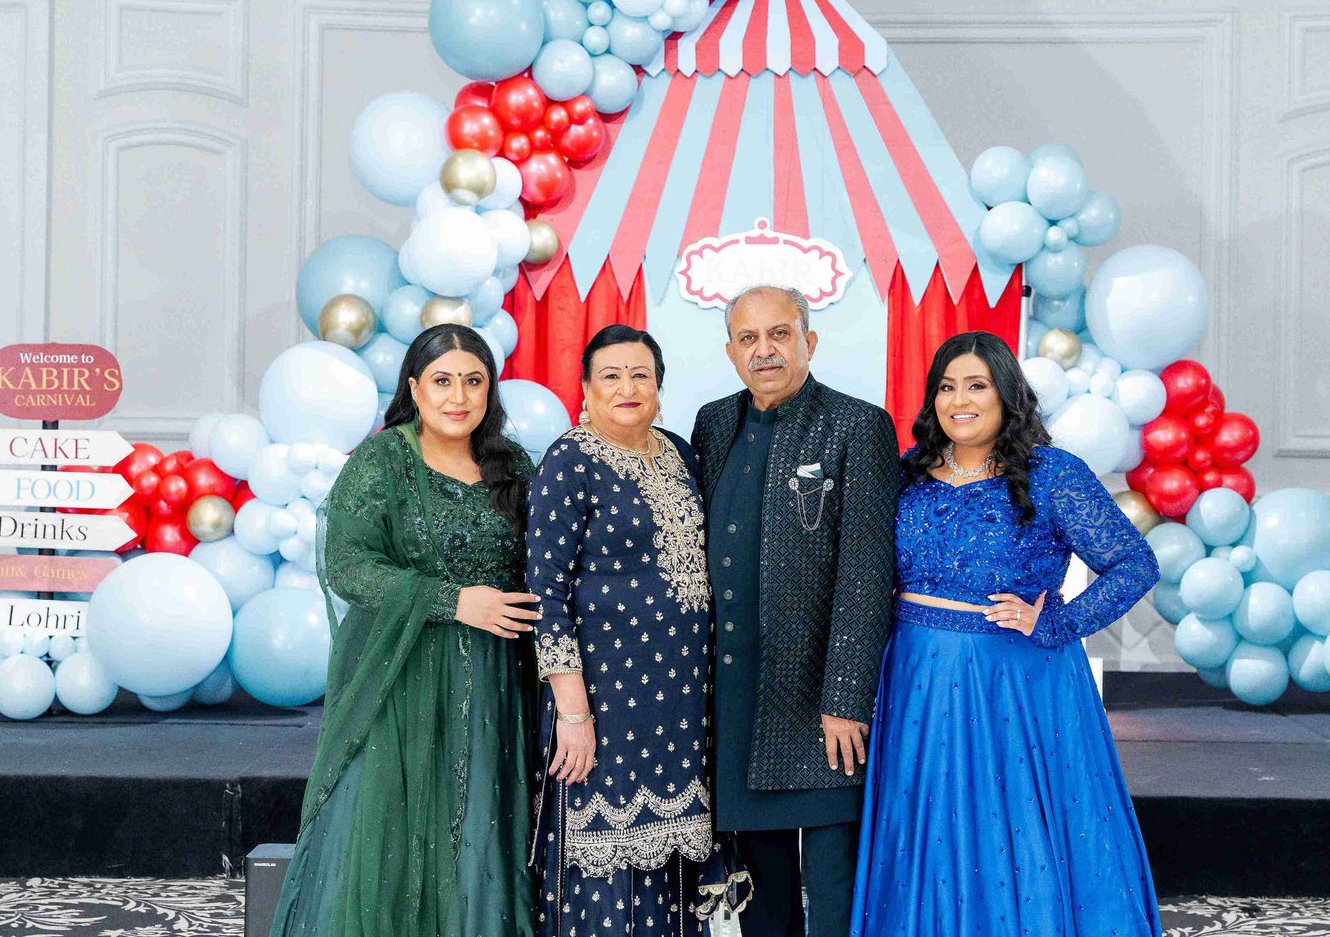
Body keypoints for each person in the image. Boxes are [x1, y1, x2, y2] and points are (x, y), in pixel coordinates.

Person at [849, 330, 1162, 937]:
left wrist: (1058, 623)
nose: (958, 401)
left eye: (977, 386)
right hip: (917, 680)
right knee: (928, 827)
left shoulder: (1051, 474)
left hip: (1015, 684)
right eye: (946, 387)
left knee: (1011, 829)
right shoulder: (906, 474)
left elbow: (1135, 564)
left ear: (1007, 395)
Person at [271, 324, 541, 937]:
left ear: (490, 389)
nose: (458, 397)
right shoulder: (383, 461)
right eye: (442, 381)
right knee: (393, 830)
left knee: (480, 825)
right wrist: (453, 601)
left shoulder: (512, 464)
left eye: (473, 381)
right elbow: (348, 566)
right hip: (403, 676)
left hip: (498, 683)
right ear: (414, 389)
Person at [691, 285, 899, 937]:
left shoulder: (858, 425)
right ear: (731, 352)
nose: (765, 350)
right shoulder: (714, 422)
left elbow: (866, 573)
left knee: (834, 885)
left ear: (809, 341)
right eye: (749, 338)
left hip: (822, 699)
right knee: (761, 884)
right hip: (739, 696)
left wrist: (845, 698)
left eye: (779, 334)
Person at [526, 324, 729, 937]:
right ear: (586, 389)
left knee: (676, 846)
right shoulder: (569, 461)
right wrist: (573, 713)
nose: (627, 388)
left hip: (680, 699)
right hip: (603, 697)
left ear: (660, 387)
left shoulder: (680, 454)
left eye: (640, 375)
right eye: (610, 376)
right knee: (604, 846)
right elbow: (545, 592)